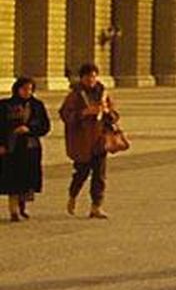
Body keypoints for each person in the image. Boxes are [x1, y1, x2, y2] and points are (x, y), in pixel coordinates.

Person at [59, 63, 113, 219]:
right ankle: (73, 195)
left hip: (100, 140)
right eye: (88, 76)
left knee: (100, 175)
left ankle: (96, 206)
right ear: (82, 78)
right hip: (82, 141)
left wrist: (108, 112)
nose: (91, 79)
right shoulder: (74, 96)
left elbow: (115, 115)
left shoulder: (103, 94)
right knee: (81, 173)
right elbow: (65, 115)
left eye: (94, 76)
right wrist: (84, 112)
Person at [2, 77, 50, 222]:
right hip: (12, 148)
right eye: (24, 89)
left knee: (27, 179)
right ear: (17, 89)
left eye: (30, 89)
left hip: (30, 148)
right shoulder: (5, 105)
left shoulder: (37, 106)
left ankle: (22, 207)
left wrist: (29, 129)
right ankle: (14, 210)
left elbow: (45, 126)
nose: (27, 92)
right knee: (12, 179)